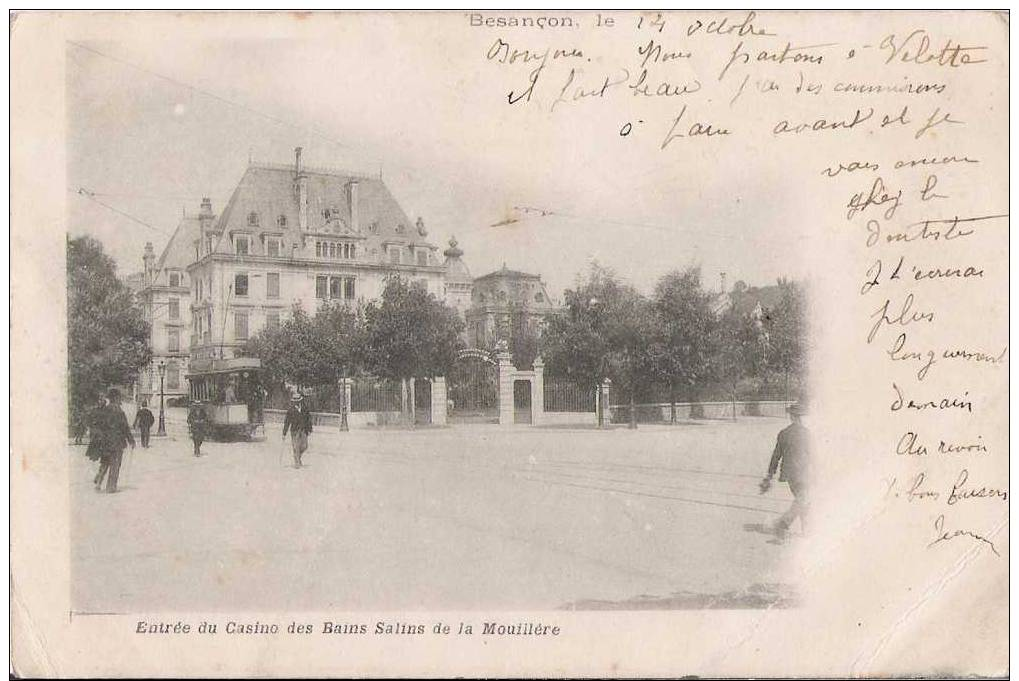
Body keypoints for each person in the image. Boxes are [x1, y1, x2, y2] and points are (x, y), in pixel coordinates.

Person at [760, 401, 811, 540]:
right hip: (804, 473)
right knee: (803, 499)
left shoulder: (784, 433)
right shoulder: (808, 434)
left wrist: (769, 475)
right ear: (802, 417)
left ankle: (806, 530)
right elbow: (814, 456)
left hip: (789, 475)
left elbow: (775, 456)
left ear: (792, 417)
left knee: (802, 500)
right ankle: (783, 524)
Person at [94, 388, 135, 493]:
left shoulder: (104, 410)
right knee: (115, 464)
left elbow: (98, 425)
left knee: (105, 462)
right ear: (116, 398)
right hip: (117, 442)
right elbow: (125, 427)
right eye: (119, 397)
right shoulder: (119, 411)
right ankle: (111, 487)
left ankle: (98, 481)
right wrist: (131, 440)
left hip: (105, 441)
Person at [282, 393, 313, 469]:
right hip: (295, 430)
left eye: (298, 401)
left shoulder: (305, 408)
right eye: (295, 401)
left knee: (304, 446)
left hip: (303, 430)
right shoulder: (290, 410)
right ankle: (297, 462)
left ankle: (298, 457)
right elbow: (287, 422)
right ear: (293, 402)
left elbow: (309, 419)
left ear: (300, 401)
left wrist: (309, 429)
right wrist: (284, 433)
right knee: (296, 446)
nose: (297, 402)